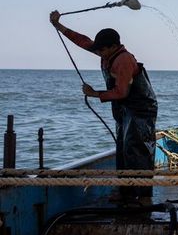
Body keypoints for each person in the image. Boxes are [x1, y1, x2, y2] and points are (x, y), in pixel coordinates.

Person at [50, 11, 158, 202]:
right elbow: (83, 41)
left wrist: (94, 93)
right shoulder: (106, 50)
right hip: (124, 108)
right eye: (98, 50)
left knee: (138, 151)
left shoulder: (124, 60)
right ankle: (125, 191)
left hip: (141, 109)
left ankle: (143, 196)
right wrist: (59, 26)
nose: (99, 53)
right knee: (123, 149)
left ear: (114, 46)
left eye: (102, 51)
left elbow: (122, 92)